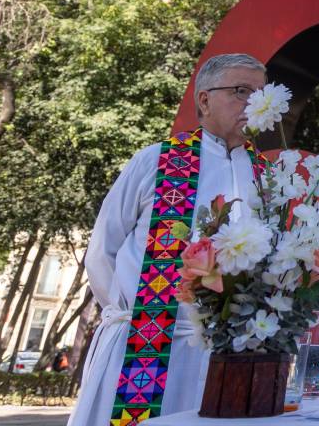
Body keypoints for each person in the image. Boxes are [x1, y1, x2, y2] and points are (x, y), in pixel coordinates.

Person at [68, 54, 270, 426]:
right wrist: (134, 313)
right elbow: (103, 248)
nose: (254, 104)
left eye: (261, 93)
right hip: (146, 346)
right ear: (205, 100)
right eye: (241, 91)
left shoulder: (266, 176)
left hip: (230, 352)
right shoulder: (158, 160)